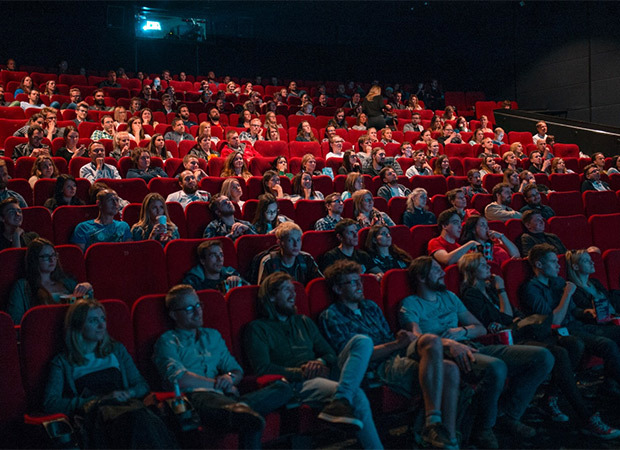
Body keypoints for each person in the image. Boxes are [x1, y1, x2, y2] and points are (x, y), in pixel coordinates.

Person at [459, 253, 620, 438]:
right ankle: (586, 416)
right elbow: (504, 318)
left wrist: (507, 305)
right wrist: (503, 290)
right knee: (559, 353)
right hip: (512, 339)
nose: (488, 266)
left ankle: (551, 398)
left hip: (528, 331)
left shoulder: (491, 289)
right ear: (471, 271)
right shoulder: (472, 294)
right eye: (482, 265)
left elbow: (513, 314)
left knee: (573, 344)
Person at [400, 256, 554, 448]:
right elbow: (417, 339)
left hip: (472, 344)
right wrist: (448, 343)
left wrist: (461, 331)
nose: (442, 273)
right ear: (421, 277)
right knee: (496, 367)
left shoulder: (450, 297)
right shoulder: (411, 303)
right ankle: (484, 428)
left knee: (543, 357)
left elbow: (480, 328)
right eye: (436, 270)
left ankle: (508, 414)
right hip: (446, 354)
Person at [323, 260, 462, 449]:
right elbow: (354, 359)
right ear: (338, 289)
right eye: (353, 282)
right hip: (377, 366)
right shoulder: (332, 315)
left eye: (360, 281)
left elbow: (389, 339)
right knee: (448, 370)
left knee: (434, 345)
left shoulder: (370, 306)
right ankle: (434, 428)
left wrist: (401, 340)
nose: (360, 286)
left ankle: (447, 437)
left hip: (396, 353)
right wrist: (397, 344)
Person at [244, 272, 384, 449]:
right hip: (298, 383)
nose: (294, 294)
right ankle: (345, 401)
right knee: (357, 396)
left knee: (362, 341)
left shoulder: (303, 321)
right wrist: (301, 372)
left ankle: (341, 399)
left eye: (294, 289)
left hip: (325, 372)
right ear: (271, 296)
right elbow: (263, 368)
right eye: (287, 289)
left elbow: (330, 354)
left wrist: (320, 362)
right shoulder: (257, 329)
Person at [152, 285, 291, 449]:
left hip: (225, 398)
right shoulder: (168, 341)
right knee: (252, 420)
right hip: (197, 399)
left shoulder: (213, 336)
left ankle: (241, 409)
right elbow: (179, 379)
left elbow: (236, 370)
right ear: (174, 315)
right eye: (189, 308)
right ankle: (241, 411)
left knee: (283, 387)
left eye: (198, 305)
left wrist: (229, 378)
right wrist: (217, 384)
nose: (198, 312)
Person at [44, 299, 177, 448]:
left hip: (128, 407)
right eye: (94, 321)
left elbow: (141, 385)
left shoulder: (116, 350)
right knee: (137, 420)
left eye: (103, 319)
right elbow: (51, 403)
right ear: (78, 325)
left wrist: (129, 392)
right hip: (98, 416)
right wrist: (97, 400)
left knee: (143, 418)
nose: (102, 326)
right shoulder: (63, 362)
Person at [521, 245, 620, 408]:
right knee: (607, 345)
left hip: (578, 325)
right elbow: (554, 321)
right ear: (539, 264)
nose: (559, 266)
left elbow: (574, 310)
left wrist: (588, 312)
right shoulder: (531, 289)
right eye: (553, 262)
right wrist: (567, 294)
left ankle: (609, 385)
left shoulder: (558, 281)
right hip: (560, 332)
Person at [7, 238, 93, 324]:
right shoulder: (22, 286)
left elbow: (87, 310)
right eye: (46, 257)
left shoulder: (68, 282)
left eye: (53, 255)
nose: (52, 260)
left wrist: (88, 288)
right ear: (34, 260)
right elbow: (16, 320)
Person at [256, 222, 322, 285]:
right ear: (279, 243)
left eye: (298, 240)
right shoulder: (269, 262)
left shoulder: (306, 258)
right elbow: (264, 292)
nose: (296, 244)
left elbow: (319, 284)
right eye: (290, 240)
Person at [182, 240, 247, 293]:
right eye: (213, 255)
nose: (219, 259)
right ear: (203, 261)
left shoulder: (231, 274)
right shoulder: (193, 282)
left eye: (221, 255)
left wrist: (239, 281)